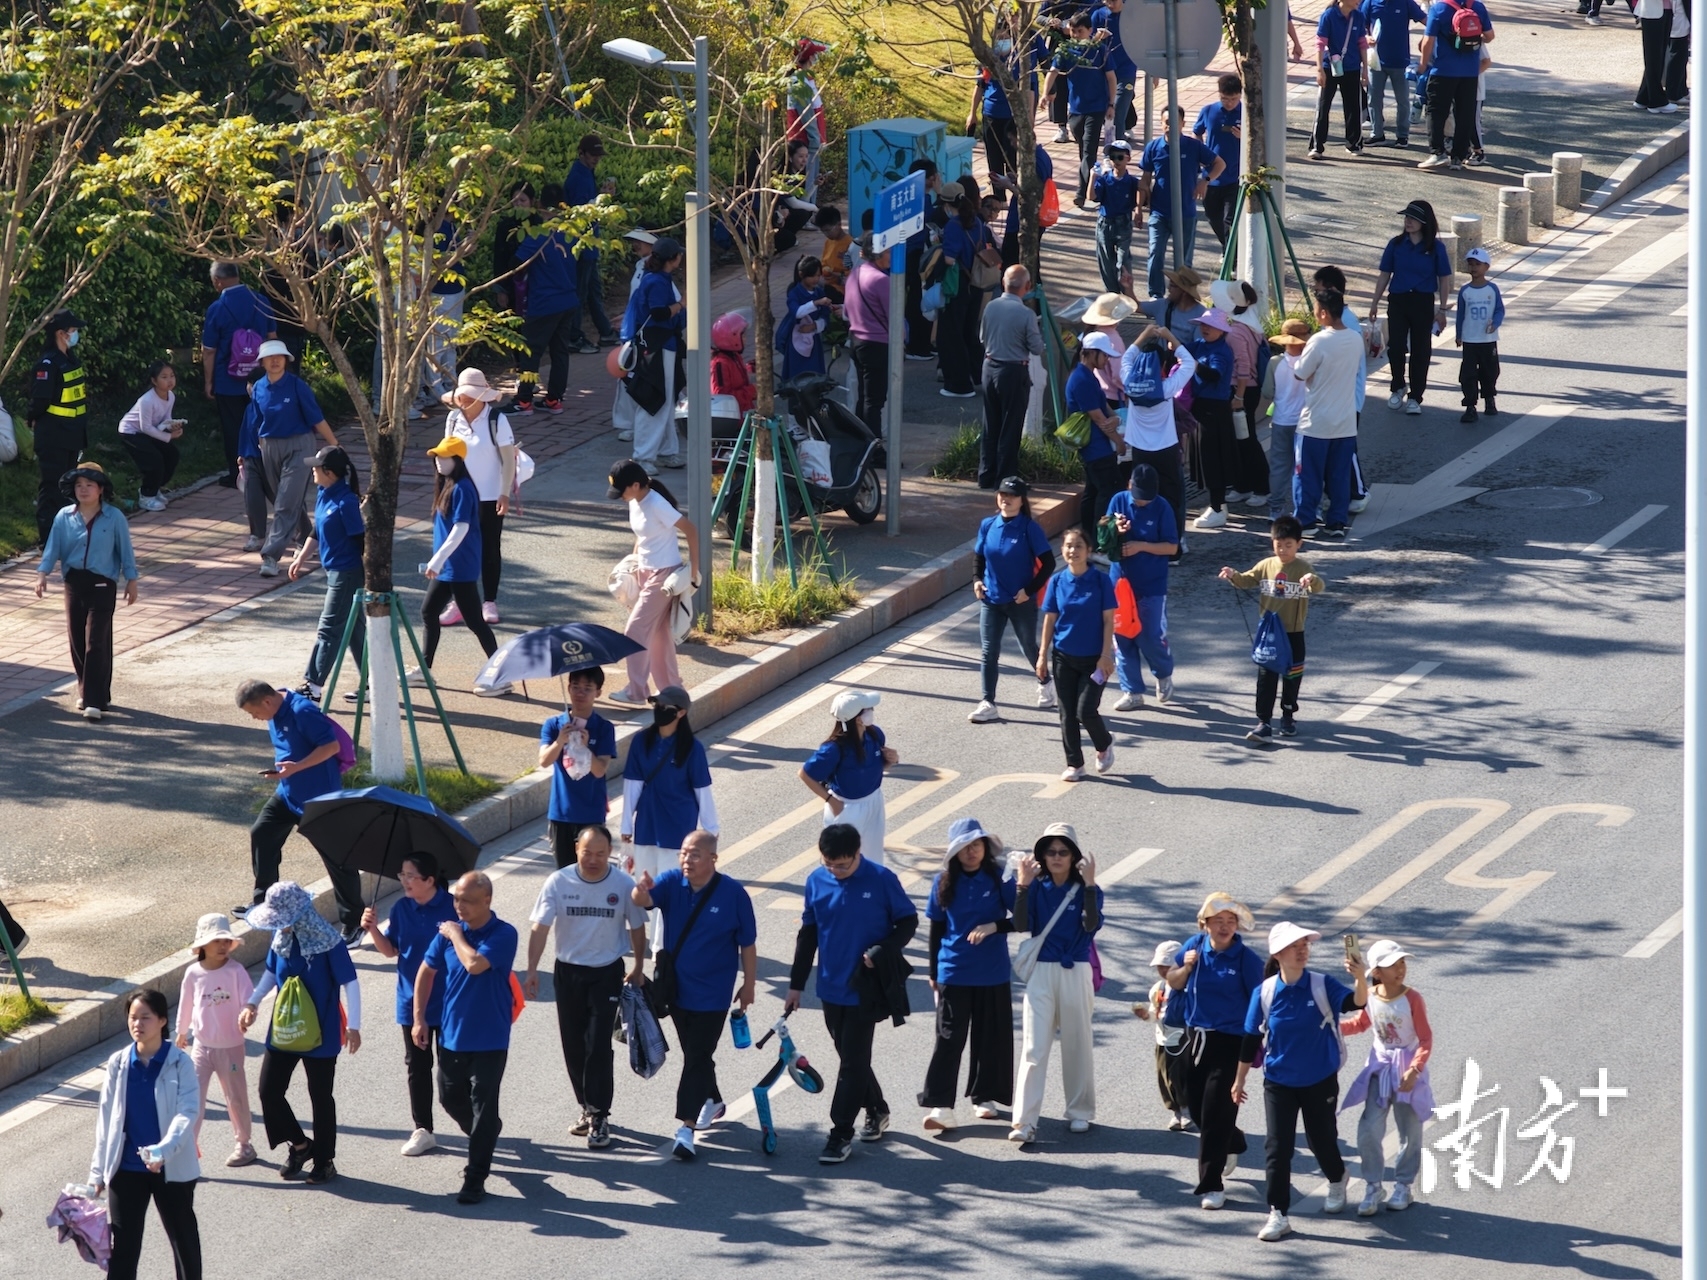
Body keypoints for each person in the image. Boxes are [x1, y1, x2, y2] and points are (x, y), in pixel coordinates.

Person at [785, 822, 919, 1164]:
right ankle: (877, 1108)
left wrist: (883, 949)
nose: (835, 871)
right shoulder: (817, 880)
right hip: (830, 987)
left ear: (858, 853)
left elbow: (907, 922)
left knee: (853, 1062)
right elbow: (808, 935)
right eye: (829, 864)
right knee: (849, 1057)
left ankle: (840, 1133)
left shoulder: (881, 879)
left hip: (866, 986)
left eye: (843, 865)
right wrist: (796, 986)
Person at [1233, 921, 1368, 1241]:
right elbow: (1250, 1039)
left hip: (1319, 1079)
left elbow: (1356, 1003)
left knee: (1321, 1139)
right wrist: (1239, 1081)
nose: (1302, 951)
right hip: (1278, 1081)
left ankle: (1337, 1177)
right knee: (1277, 1147)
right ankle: (1278, 1213)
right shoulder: (1265, 992)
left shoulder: (1321, 985)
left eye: (1305, 945)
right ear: (1278, 954)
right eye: (1295, 946)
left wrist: (1361, 977)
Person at [631, 830, 758, 1161]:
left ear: (713, 858)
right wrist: (640, 889)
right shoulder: (672, 882)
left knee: (698, 1055)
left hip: (714, 994)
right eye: (684, 853)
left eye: (695, 854)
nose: (687, 860)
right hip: (676, 990)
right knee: (695, 1053)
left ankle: (686, 1128)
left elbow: (747, 944)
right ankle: (712, 1100)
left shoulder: (733, 895)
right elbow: (642, 901)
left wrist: (749, 985)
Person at [525, 824, 647, 1149]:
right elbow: (539, 928)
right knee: (574, 1045)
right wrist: (532, 970)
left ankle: (599, 1115)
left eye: (601, 854)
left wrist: (638, 966)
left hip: (607, 973)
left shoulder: (622, 884)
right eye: (587, 853)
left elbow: (637, 926)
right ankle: (586, 1106)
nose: (593, 860)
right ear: (576, 849)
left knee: (598, 1046)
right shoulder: (558, 882)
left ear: (610, 853)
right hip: (568, 973)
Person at [238, 880, 362, 1186]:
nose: (277, 926)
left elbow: (350, 982)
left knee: (320, 1097)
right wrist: (252, 1003)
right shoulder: (281, 937)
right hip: (285, 1028)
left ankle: (324, 1161)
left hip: (322, 1032)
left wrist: (354, 1026)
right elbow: (271, 972)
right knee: (269, 1090)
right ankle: (300, 1145)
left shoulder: (329, 942)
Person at [413, 871, 517, 1205]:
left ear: (487, 900)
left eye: (468, 901)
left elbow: (474, 964)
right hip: (452, 1035)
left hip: (490, 1037)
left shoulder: (503, 934)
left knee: (483, 1106)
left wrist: (456, 934)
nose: (460, 906)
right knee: (449, 1098)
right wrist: (418, 1019)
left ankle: (475, 1178)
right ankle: (485, 1134)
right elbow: (426, 971)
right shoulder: (447, 935)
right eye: (457, 899)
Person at [235, 679, 363, 939]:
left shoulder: (302, 711)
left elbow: (331, 746)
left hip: (319, 800)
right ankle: (265, 902)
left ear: (267, 701)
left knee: (338, 861)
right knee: (262, 833)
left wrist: (297, 767)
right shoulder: (274, 708)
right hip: (288, 793)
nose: (254, 718)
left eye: (254, 712)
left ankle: (355, 922)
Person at [90, 989, 203, 1280]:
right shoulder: (118, 1063)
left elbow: (187, 1113)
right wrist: (97, 1174)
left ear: (162, 1020)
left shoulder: (180, 1063)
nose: (137, 1024)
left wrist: (163, 1151)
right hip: (126, 1169)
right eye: (132, 1017)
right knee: (123, 1252)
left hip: (171, 1169)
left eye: (145, 1017)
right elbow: (106, 1121)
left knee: (184, 1244)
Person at [1167, 892, 1265, 1209]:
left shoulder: (1246, 960)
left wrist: (1256, 1042)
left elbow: (1262, 1001)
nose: (1224, 927)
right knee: (1197, 1110)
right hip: (1195, 1039)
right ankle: (1232, 1138)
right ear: (1204, 924)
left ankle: (1211, 1185)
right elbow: (1173, 981)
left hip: (1230, 1043)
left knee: (1213, 1115)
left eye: (1230, 921)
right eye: (1218, 921)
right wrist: (1186, 968)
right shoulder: (1194, 946)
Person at [919, 817, 1016, 1133]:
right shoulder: (943, 881)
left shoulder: (1000, 878)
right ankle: (941, 1106)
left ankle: (983, 1096)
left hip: (993, 972)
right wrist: (933, 971)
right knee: (948, 1039)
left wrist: (994, 926)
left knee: (990, 1037)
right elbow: (936, 927)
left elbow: (1024, 918)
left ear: (985, 847)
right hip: (954, 972)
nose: (971, 851)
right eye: (964, 847)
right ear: (955, 853)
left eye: (976, 845)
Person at [1010, 822, 1103, 1142]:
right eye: (1050, 852)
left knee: (1078, 1043)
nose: (1057, 857)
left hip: (1076, 969)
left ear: (1073, 856)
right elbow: (1021, 924)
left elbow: (1090, 925)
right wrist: (1022, 886)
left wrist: (1089, 886)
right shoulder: (1037, 887)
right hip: (1042, 971)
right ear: (1043, 856)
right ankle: (1024, 1121)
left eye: (1063, 851)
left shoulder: (1089, 889)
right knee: (1034, 1047)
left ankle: (1080, 1112)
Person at [360, 851, 457, 1157]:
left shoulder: (454, 907)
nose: (404, 881)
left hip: (449, 1001)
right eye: (401, 875)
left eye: (410, 875)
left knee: (452, 1072)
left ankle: (473, 1121)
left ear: (429, 880)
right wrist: (372, 929)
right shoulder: (401, 908)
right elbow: (391, 950)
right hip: (411, 1002)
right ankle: (423, 1129)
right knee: (417, 1066)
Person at [35, 463, 139, 722]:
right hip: (74, 583)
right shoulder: (64, 516)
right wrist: (42, 574)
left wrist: (132, 579)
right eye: (79, 485)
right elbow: (53, 547)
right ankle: (91, 690)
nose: (83, 490)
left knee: (96, 641)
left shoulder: (114, 517)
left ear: (100, 489)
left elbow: (125, 550)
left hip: (103, 584)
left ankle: (93, 700)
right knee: (77, 640)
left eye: (89, 485)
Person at [1340, 939, 1434, 1214]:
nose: (1401, 969)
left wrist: (1415, 1069)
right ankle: (1373, 1186)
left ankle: (1403, 1186)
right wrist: (1330, 1025)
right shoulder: (1369, 996)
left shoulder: (1412, 998)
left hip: (1406, 1072)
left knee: (1410, 1131)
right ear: (1377, 972)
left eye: (1402, 962)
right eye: (1393, 965)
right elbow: (1360, 1024)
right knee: (1369, 1129)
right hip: (1380, 1070)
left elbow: (1425, 1039)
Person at [622, 683, 719, 938]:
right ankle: (637, 939)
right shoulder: (641, 741)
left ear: (681, 712)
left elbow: (702, 790)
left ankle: (661, 948)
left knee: (667, 892)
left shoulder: (692, 748)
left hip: (678, 832)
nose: (659, 709)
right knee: (642, 887)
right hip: (646, 828)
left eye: (665, 706)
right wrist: (626, 826)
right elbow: (632, 785)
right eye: (657, 704)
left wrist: (711, 830)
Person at [1218, 515, 1326, 740]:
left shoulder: (1303, 568)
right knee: (1266, 677)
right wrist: (1233, 575)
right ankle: (1263, 722)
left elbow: (1318, 586)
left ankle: (1288, 715)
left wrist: (1311, 579)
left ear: (1299, 544)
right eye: (1279, 545)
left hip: (1293, 633)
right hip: (1269, 634)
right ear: (1272, 542)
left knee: (1292, 677)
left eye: (1289, 545)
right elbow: (1246, 580)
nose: (1283, 550)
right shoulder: (1266, 565)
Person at [413, 437, 507, 695]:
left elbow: (461, 528)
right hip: (448, 568)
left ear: (458, 460)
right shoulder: (448, 484)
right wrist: (440, 562)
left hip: (459, 567)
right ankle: (424, 670)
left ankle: (500, 678)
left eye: (444, 457)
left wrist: (437, 560)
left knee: (475, 622)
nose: (438, 461)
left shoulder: (463, 488)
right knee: (429, 612)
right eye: (437, 457)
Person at [608, 461, 699, 703]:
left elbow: (691, 530)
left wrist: (694, 570)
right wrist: (633, 562)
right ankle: (672, 689)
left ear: (636, 485)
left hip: (663, 576)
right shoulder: (634, 500)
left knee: (635, 630)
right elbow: (642, 536)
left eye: (622, 490)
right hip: (645, 572)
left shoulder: (657, 503)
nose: (620, 496)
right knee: (659, 634)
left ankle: (636, 692)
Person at [969, 476, 1058, 723]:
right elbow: (979, 557)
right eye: (1002, 494)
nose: (1006, 499)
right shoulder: (988, 525)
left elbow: (1049, 563)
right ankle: (988, 702)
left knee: (1028, 646)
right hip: (992, 599)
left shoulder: (1029, 528)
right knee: (989, 652)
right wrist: (977, 580)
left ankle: (1045, 682)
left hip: (1020, 601)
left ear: (1021, 500)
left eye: (1012, 496)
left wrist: (1028, 591)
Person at [250, 339, 337, 578]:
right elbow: (256, 420)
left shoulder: (298, 386)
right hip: (269, 446)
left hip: (300, 445)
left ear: (287, 360)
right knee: (285, 497)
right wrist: (257, 446)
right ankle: (307, 536)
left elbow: (317, 419)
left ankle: (271, 556)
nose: (275, 361)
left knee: (285, 502)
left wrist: (334, 444)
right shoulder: (257, 388)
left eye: (279, 357)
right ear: (262, 362)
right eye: (270, 357)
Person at [173, 914, 256, 1167]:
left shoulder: (236, 971)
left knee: (235, 1097)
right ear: (202, 945)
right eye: (216, 941)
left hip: (230, 1047)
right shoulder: (193, 973)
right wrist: (181, 1031)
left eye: (225, 941)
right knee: (193, 1098)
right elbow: (186, 1004)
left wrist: (248, 1014)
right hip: (201, 1046)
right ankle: (188, 1147)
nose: (222, 946)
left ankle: (244, 1144)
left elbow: (249, 1000)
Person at [1037, 527, 1117, 781]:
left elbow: (1109, 620)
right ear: (1062, 550)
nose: (1073, 550)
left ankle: (1104, 744)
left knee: (1085, 711)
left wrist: (1106, 655)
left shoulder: (1101, 581)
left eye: (1078, 546)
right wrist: (1042, 655)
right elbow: (1050, 619)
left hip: (1095, 659)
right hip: (1063, 657)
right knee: (1066, 713)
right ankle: (1075, 764)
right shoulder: (1057, 581)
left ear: (1089, 550)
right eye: (1068, 546)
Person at [287, 445, 365, 702]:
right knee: (354, 630)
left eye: (317, 467)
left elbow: (360, 540)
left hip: (347, 573)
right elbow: (317, 530)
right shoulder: (324, 493)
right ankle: (373, 683)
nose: (313, 470)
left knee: (329, 629)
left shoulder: (347, 502)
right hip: (334, 571)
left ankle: (313, 686)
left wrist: (365, 577)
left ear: (329, 472)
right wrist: (301, 558)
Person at [442, 367, 518, 625]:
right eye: (460, 396)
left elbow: (508, 461)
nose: (462, 400)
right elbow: (446, 456)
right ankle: (459, 602)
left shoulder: (496, 419)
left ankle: (489, 601)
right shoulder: (453, 419)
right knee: (457, 548)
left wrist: (504, 494)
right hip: (461, 496)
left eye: (466, 396)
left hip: (489, 496)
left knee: (489, 548)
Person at [1105, 463, 1178, 711]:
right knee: (1122, 635)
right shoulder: (1118, 500)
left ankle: (1163, 673)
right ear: (1129, 486)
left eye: (1147, 497)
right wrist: (1115, 530)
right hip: (1120, 583)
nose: (1143, 501)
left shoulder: (1163, 507)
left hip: (1152, 584)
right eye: (1138, 496)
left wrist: (1140, 546)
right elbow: (1103, 535)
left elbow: (1172, 547)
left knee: (1149, 635)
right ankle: (1132, 691)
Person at [1289, 289, 1362, 537]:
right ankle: (1337, 522)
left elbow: (1300, 373)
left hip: (1315, 423)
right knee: (1339, 476)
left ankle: (1306, 521)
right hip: (1345, 422)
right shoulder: (1355, 339)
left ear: (1323, 313)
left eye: (1315, 309)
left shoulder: (1318, 341)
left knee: (1307, 476)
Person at [1369, 199, 1452, 414]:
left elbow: (1444, 279)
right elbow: (1384, 275)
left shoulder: (1436, 248)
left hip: (1423, 301)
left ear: (1425, 222)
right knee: (1396, 346)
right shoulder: (1396, 244)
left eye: (1413, 218)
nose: (1408, 221)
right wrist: (1374, 303)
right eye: (1406, 217)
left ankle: (1416, 396)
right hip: (1398, 300)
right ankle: (1397, 386)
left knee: (1420, 350)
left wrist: (1442, 310)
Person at [799, 690, 898, 866]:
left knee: (874, 859)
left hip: (874, 801)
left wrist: (891, 760)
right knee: (842, 861)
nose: (872, 710)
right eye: (868, 709)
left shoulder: (875, 734)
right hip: (846, 808)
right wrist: (831, 801)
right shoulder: (834, 748)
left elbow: (873, 768)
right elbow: (805, 774)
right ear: (858, 719)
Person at [1120, 324, 1195, 556]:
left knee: (1143, 496)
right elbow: (1189, 363)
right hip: (1166, 450)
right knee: (1171, 498)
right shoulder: (1166, 387)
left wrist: (1143, 336)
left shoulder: (1129, 383)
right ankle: (1173, 548)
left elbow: (1126, 358)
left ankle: (1144, 539)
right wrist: (1169, 335)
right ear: (1162, 365)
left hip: (1140, 451)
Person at [202, 263, 277, 487]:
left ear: (217, 281)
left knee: (233, 427)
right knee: (261, 424)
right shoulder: (262, 301)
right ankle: (267, 469)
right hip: (260, 377)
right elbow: (272, 337)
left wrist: (208, 381)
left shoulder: (217, 308)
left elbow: (209, 350)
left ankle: (238, 474)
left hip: (228, 380)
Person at [1138, 109, 1224, 298]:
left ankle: (1183, 295)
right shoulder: (1153, 148)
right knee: (1155, 253)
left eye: (1175, 121)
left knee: (1184, 260)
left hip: (1185, 212)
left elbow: (1219, 164)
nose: (1170, 126)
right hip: (1159, 213)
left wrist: (1205, 181)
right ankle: (1156, 295)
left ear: (1183, 124)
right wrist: (1139, 207)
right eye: (1166, 122)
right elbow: (1145, 179)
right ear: (1161, 123)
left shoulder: (1193, 146)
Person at [620, 238, 687, 472]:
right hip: (657, 347)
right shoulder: (657, 281)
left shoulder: (654, 278)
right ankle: (643, 457)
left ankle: (665, 451)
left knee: (664, 400)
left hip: (658, 345)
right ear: (672, 259)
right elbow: (659, 313)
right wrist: (682, 305)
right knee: (655, 399)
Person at [541, 668, 618, 868]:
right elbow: (544, 761)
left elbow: (600, 770)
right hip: (561, 813)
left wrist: (585, 748)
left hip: (591, 814)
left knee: (590, 871)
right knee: (564, 873)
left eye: (587, 688)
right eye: (575, 687)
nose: (580, 693)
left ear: (598, 692)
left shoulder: (604, 728)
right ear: (568, 688)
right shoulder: (554, 724)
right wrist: (560, 741)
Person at [978, 264, 1046, 487]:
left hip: (990, 367)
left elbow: (982, 338)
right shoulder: (1026, 314)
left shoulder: (991, 307)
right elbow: (1036, 348)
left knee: (990, 424)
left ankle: (986, 475)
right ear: (1027, 286)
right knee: (1011, 427)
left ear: (1003, 283)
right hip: (1013, 371)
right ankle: (1005, 479)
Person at [512, 197, 579, 416]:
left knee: (531, 352)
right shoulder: (571, 235)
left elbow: (517, 264)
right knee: (560, 353)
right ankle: (554, 399)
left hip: (544, 301)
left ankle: (523, 401)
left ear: (543, 209)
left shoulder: (538, 235)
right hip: (568, 299)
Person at [29, 310, 91, 543]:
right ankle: (47, 539)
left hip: (72, 434)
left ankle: (66, 535)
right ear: (60, 333)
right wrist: (31, 418)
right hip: (53, 435)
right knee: (52, 487)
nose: (75, 335)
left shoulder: (70, 359)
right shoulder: (48, 364)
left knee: (68, 487)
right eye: (72, 331)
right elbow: (40, 400)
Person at [1042, 12, 1116, 208]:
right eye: (1073, 31)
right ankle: (1094, 181)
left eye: (1080, 31)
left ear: (1090, 31)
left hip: (1097, 108)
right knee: (1083, 151)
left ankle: (1081, 192)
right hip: (1075, 109)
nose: (1075, 35)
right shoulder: (1065, 51)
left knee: (1089, 151)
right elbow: (1052, 72)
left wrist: (1111, 104)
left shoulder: (1100, 50)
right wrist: (1045, 93)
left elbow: (1111, 78)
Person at [1417, 0, 1493, 169]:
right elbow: (1490, 36)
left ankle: (1438, 152)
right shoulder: (1477, 6)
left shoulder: (1439, 8)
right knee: (1465, 114)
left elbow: (1428, 40)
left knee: (1436, 112)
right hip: (1470, 72)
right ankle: (1458, 157)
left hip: (1444, 70)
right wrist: (1471, 38)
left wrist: (1422, 64)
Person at [938, 188, 996, 400]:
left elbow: (949, 259)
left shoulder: (953, 226)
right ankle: (981, 376)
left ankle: (959, 384)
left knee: (952, 334)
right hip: (977, 283)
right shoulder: (977, 222)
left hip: (959, 285)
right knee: (969, 332)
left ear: (947, 205)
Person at [563, 133, 619, 349]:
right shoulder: (578, 177)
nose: (596, 159)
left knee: (593, 290)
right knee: (581, 291)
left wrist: (600, 197)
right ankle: (574, 336)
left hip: (589, 244)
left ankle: (604, 331)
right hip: (583, 244)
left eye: (598, 155)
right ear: (582, 154)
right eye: (593, 155)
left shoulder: (585, 173)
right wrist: (601, 199)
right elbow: (579, 212)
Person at [1068, 333, 1125, 540]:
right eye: (1105, 355)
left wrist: (1116, 418)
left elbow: (1102, 406)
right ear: (1092, 354)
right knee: (1109, 491)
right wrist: (1119, 442)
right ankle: (1099, 541)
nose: (1107, 360)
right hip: (1096, 448)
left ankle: (1088, 539)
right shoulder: (1082, 380)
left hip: (1095, 447)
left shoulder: (1086, 375)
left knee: (1093, 492)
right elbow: (1099, 418)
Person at [1187, 307, 1239, 530]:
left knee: (1212, 459)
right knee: (1205, 458)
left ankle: (1217, 508)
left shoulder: (1222, 351)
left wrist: (1193, 364)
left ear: (1222, 330)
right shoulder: (1200, 344)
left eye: (1211, 326)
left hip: (1214, 410)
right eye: (1203, 324)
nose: (1205, 328)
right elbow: (1181, 350)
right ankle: (1219, 505)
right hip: (1200, 407)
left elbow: (1214, 374)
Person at [967, 20, 1039, 179]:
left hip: (1012, 117)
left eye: (1004, 37)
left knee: (1012, 162)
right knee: (994, 161)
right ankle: (998, 193)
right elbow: (980, 86)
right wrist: (972, 113)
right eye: (998, 38)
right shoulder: (988, 58)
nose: (1001, 41)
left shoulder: (1022, 58)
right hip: (991, 115)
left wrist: (1030, 117)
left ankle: (1015, 191)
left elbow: (1030, 90)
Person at [1132, 939, 1191, 1130]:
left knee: (1181, 1076)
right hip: (1163, 1040)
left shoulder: (1190, 987)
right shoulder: (1158, 989)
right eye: (1160, 967)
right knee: (1165, 1078)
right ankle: (1176, 1112)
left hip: (1184, 1039)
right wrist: (1145, 1015)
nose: (1164, 971)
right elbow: (1155, 1014)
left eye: (1168, 966)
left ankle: (1187, 1110)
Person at [1260, 319, 1311, 519]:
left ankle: (1276, 508)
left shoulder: (1275, 362)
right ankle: (1310, 507)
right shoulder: (1310, 361)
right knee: (1306, 466)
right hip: (1306, 422)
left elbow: (1267, 392)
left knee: (1279, 466)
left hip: (1281, 420)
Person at [118, 360, 183, 512]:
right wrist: (168, 437)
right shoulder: (146, 400)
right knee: (154, 460)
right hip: (131, 432)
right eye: (164, 377)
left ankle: (155, 488)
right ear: (154, 381)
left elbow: (165, 418)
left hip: (148, 430)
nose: (170, 380)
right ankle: (146, 496)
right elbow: (145, 427)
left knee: (172, 455)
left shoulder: (171, 396)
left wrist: (171, 426)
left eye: (172, 376)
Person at [843, 240, 893, 438]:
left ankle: (860, 441)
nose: (891, 255)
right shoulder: (881, 280)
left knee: (863, 397)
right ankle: (874, 447)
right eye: (888, 251)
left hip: (856, 341)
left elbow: (846, 311)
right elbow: (894, 318)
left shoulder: (855, 274)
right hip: (877, 344)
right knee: (875, 401)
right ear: (878, 255)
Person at [1308, 0, 1370, 159]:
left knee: (1353, 107)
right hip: (1330, 67)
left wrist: (1365, 68)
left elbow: (1362, 43)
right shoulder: (1328, 15)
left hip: (1352, 67)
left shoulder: (1358, 16)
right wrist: (1319, 69)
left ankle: (1354, 143)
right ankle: (1317, 145)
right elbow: (1320, 43)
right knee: (1323, 106)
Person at [1362, 0, 1427, 146]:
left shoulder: (1405, 2)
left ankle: (1402, 136)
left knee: (1402, 101)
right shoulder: (1370, 2)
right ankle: (1377, 134)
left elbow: (1426, 21)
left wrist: (1429, 37)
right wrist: (1366, 37)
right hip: (1376, 61)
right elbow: (1360, 24)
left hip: (1399, 61)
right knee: (1374, 99)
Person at [1193, 75, 1244, 247]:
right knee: (1213, 217)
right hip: (1212, 176)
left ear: (1240, 95)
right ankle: (1228, 249)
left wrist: (1244, 137)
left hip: (1236, 176)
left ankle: (1230, 257)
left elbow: (1259, 140)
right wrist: (1201, 153)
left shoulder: (1246, 113)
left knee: (1229, 220)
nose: (1229, 103)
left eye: (1233, 99)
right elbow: (1197, 132)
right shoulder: (1208, 111)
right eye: (1224, 99)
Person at [1455, 245, 1503, 422]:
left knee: (1490, 371)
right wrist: (1459, 334)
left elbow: (1499, 310)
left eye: (1478, 264)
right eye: (1471, 264)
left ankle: (1489, 398)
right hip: (1470, 339)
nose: (1474, 268)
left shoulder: (1492, 289)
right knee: (1468, 373)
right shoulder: (1465, 291)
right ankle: (1470, 405)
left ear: (1486, 267)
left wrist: (1495, 324)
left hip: (1488, 339)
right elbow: (1461, 314)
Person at [1092, 140, 1141, 294]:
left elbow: (1142, 192)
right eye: (1112, 157)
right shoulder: (1105, 180)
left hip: (1123, 223)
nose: (1116, 161)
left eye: (1120, 157)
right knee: (1106, 262)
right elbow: (1091, 196)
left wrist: (1138, 210)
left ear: (1128, 159)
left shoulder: (1132, 182)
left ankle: (1127, 293)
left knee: (1123, 261)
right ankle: (1112, 294)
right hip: (1105, 223)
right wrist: (1093, 177)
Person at [776, 255, 833, 382]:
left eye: (818, 275)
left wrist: (815, 326)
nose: (816, 279)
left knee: (814, 378)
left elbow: (825, 317)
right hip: (796, 341)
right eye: (812, 276)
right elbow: (797, 312)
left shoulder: (819, 292)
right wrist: (816, 303)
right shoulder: (794, 293)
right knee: (797, 379)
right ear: (801, 274)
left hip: (814, 341)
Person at [491, 181, 535, 315]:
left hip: (535, 284)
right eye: (515, 201)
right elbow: (499, 259)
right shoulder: (505, 226)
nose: (519, 204)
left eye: (523, 200)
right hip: (511, 284)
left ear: (532, 201)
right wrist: (501, 290)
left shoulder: (538, 224)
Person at [1138, 265, 1207, 345]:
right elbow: (1136, 306)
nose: (1168, 288)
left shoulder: (1201, 315)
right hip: (1160, 353)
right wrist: (1128, 288)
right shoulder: (1163, 305)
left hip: (1185, 353)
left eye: (1172, 285)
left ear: (1184, 292)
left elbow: (1199, 347)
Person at [814, 207, 854, 301]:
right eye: (823, 231)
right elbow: (823, 264)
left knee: (828, 292)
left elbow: (854, 272)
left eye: (828, 230)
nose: (826, 234)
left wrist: (837, 275)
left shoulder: (850, 244)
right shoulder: (828, 242)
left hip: (841, 288)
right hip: (825, 281)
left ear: (839, 225)